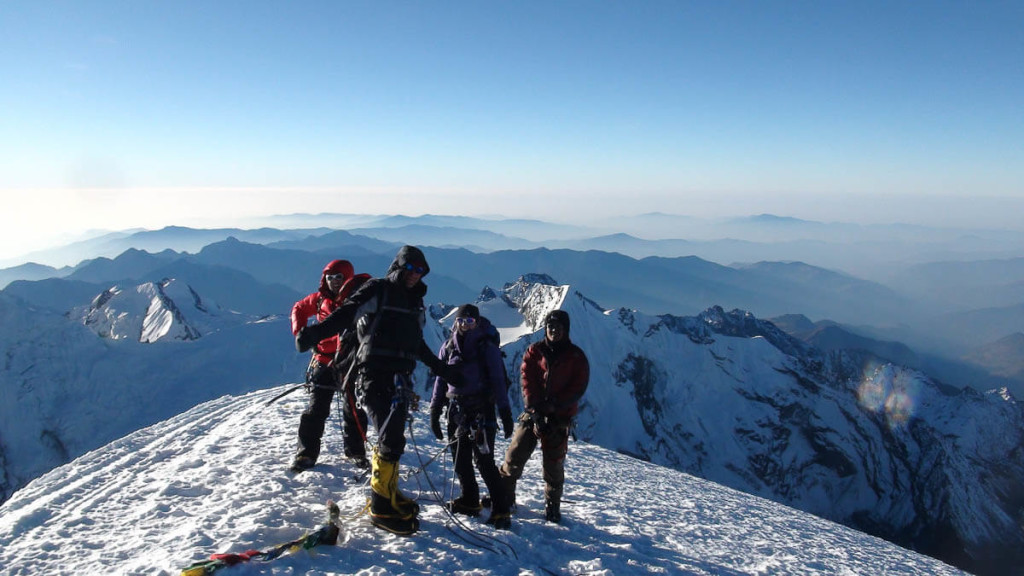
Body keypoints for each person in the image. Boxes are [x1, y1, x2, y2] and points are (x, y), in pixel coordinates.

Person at [296, 245, 462, 536]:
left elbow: (417, 343)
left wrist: (442, 369)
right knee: (388, 437)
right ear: (398, 266)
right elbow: (347, 313)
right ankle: (380, 505)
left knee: (394, 438)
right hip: (373, 374)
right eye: (409, 269)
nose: (414, 275)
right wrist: (314, 334)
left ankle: (389, 494)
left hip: (400, 377)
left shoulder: (414, 302)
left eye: (420, 271)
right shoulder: (378, 289)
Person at [498, 309, 589, 524]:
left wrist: (553, 406)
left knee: (553, 465)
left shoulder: (576, 357)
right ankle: (505, 497)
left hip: (559, 418)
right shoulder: (534, 351)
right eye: (550, 326)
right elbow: (527, 381)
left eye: (558, 327)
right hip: (534, 414)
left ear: (566, 330)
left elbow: (578, 388)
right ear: (545, 328)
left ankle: (552, 505)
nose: (554, 330)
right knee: (514, 455)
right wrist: (536, 410)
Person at [429, 304, 516, 529]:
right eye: (462, 321)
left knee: (484, 462)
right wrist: (435, 409)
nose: (466, 325)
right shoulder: (448, 347)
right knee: (460, 458)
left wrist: (505, 413)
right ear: (455, 323)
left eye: (470, 321)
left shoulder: (486, 347)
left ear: (477, 323)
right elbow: (440, 380)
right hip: (456, 410)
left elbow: (498, 379)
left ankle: (501, 509)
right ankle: (469, 499)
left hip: (481, 411)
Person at [289, 259, 371, 473]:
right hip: (325, 362)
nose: (334, 281)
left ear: (348, 278)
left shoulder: (358, 300)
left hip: (351, 363)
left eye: (339, 277)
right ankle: (306, 453)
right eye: (330, 277)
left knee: (353, 409)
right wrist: (299, 332)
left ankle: (355, 452)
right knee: (317, 409)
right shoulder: (319, 300)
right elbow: (298, 307)